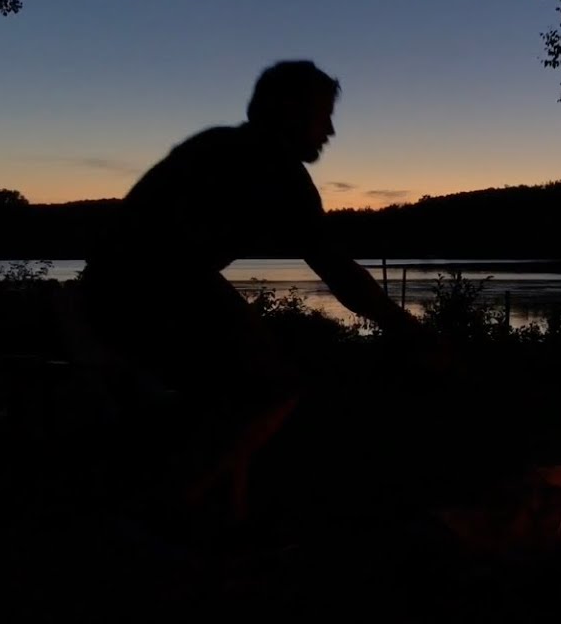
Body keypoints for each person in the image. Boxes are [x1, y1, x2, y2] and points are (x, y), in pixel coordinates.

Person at [79, 60, 427, 532]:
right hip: (148, 285)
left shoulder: (220, 144)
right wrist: (412, 332)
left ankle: (222, 519)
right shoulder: (272, 166)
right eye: (322, 116)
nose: (329, 131)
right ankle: (159, 511)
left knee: (238, 388)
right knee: (269, 387)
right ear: (288, 111)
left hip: (119, 283)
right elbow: (337, 271)